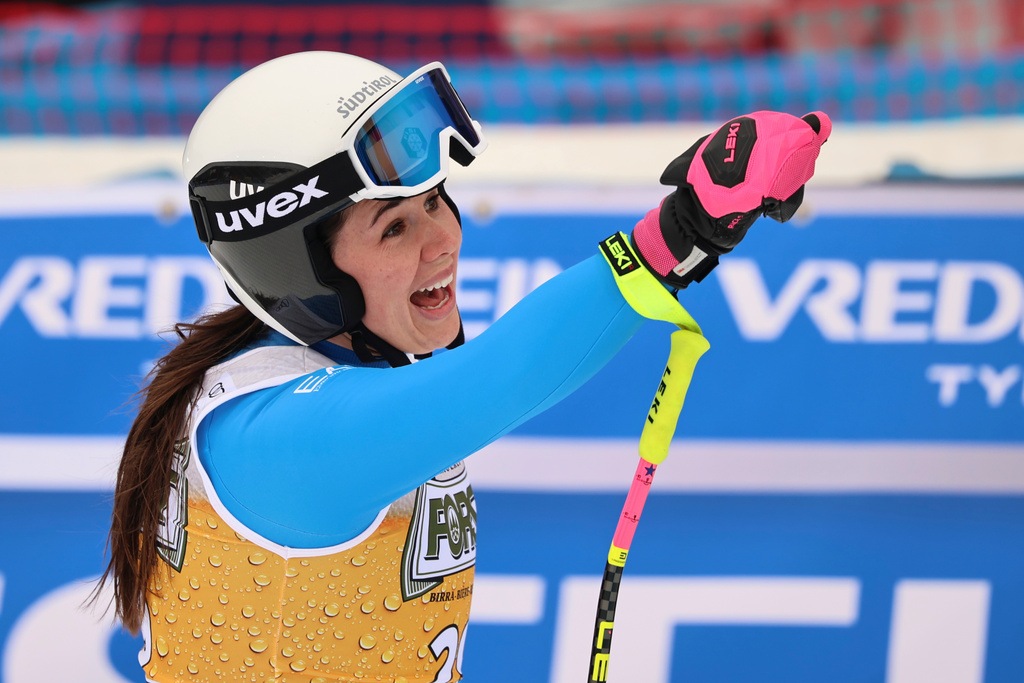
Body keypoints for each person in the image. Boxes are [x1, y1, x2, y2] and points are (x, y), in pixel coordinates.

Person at [98, 51, 830, 683]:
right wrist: (681, 228)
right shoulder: (272, 438)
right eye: (394, 226)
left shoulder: (306, 380)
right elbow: (499, 377)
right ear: (299, 269)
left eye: (434, 202)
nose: (441, 240)